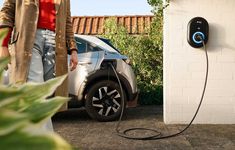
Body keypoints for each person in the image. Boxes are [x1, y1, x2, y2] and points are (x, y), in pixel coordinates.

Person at [0, 0, 78, 131]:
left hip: (56, 43)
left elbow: (67, 21)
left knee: (43, 95)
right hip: (28, 39)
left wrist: (73, 49)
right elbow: (7, 10)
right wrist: (3, 43)